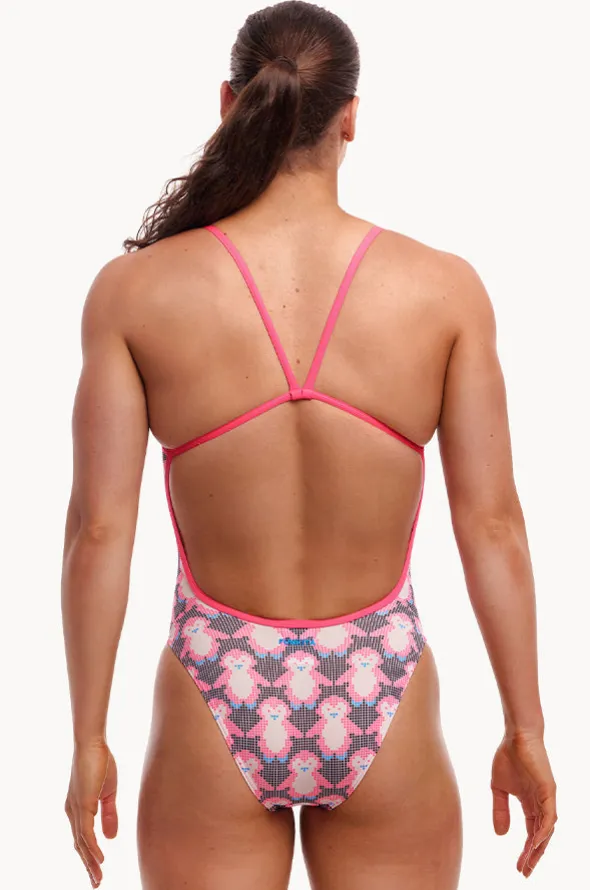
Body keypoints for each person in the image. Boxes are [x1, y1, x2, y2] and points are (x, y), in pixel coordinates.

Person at [61, 2, 557, 888]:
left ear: (230, 103)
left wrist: (88, 736)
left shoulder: (134, 293)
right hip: (381, 684)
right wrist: (526, 728)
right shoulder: (444, 292)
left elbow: (99, 533)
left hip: (213, 684)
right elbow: (494, 527)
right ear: (351, 117)